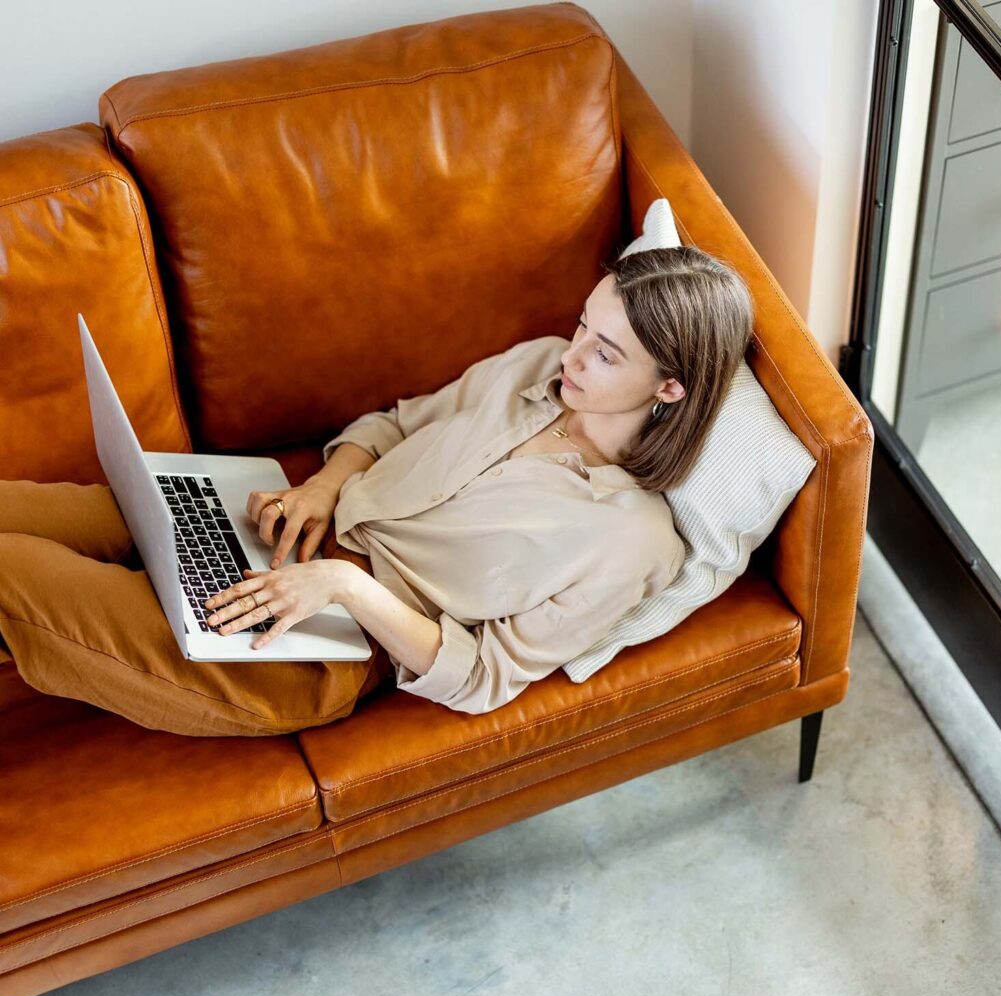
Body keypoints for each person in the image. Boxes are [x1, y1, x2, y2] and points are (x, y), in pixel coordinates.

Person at [0, 245, 753, 736]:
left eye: (606, 352)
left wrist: (342, 588)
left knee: (13, 573)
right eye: (584, 325)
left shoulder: (634, 541)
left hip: (314, 649)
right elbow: (394, 426)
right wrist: (323, 487)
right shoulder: (540, 366)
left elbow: (485, 677)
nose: (575, 355)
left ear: (669, 388)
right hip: (277, 527)